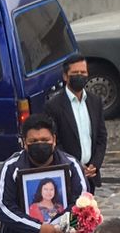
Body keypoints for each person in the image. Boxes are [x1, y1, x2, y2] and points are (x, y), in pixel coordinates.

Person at [0, 115, 88, 233]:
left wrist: (59, 227)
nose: (40, 145)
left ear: (54, 139)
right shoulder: (12, 167)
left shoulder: (71, 165)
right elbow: (3, 208)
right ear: (24, 142)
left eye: (45, 139)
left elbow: (82, 204)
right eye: (33, 141)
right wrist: (38, 229)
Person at [44, 57, 107, 187]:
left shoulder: (95, 101)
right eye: (75, 73)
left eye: (83, 73)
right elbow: (55, 142)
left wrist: (95, 164)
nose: (80, 76)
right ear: (65, 76)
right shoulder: (54, 105)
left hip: (91, 174)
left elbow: (101, 136)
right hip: (69, 174)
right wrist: (76, 166)